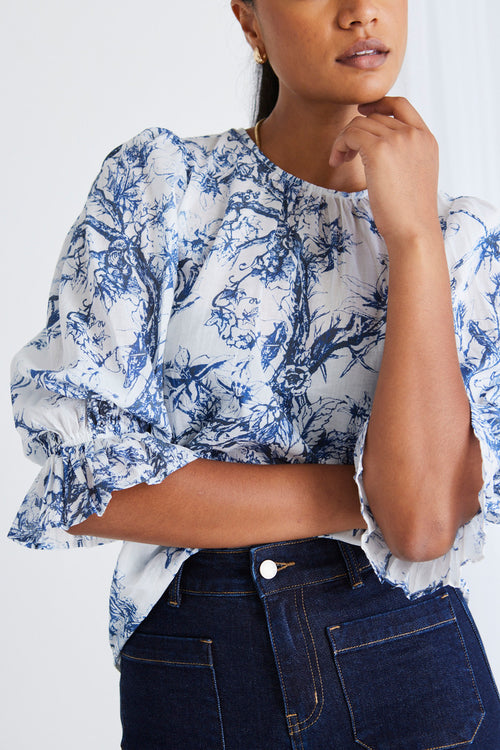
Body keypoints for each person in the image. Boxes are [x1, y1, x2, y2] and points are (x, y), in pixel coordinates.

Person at [9, 0, 500, 747]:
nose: (362, 11)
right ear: (249, 22)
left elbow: (425, 526)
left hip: (414, 662)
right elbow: (86, 477)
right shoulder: (164, 188)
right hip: (201, 666)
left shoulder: (460, 242)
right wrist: (367, 495)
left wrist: (413, 240)